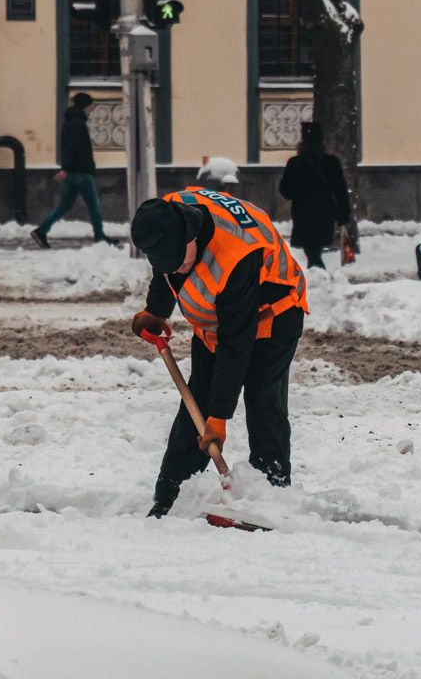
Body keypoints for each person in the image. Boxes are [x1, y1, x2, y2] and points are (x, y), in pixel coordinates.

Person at [129, 187, 309, 518]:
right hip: (216, 322)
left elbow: (235, 342)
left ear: (190, 235)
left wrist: (219, 417)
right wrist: (157, 310)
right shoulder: (167, 216)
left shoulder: (235, 255)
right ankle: (172, 495)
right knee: (196, 402)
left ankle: (271, 494)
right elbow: (166, 271)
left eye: (181, 261)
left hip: (275, 312)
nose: (178, 270)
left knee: (263, 401)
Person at [31, 93, 118, 248]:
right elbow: (73, 147)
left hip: (71, 172)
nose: (92, 108)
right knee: (94, 205)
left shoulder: (69, 122)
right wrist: (67, 168)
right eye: (90, 105)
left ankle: (41, 231)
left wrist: (65, 169)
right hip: (80, 172)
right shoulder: (78, 124)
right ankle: (99, 237)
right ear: (85, 106)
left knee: (64, 205)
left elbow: (67, 148)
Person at [278, 122, 353, 270]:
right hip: (325, 213)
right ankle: (318, 276)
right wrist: (343, 216)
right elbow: (340, 190)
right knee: (315, 250)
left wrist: (300, 190)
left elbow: (285, 191)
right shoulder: (331, 163)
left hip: (303, 213)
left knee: (311, 251)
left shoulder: (295, 163)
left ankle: (317, 276)